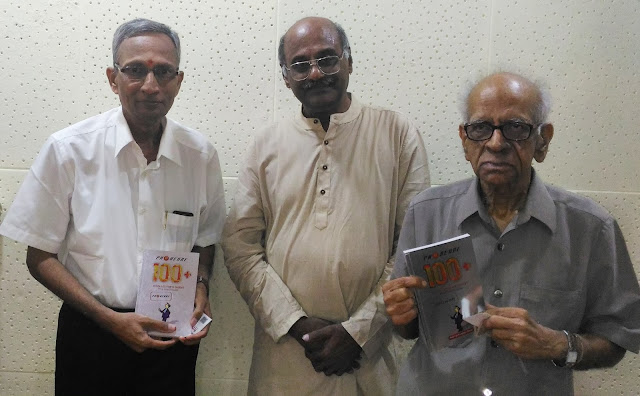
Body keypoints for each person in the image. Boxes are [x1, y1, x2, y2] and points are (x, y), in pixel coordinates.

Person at [0, 18, 226, 396]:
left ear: (179, 80)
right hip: (91, 333)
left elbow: (205, 240)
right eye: (136, 70)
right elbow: (38, 256)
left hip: (171, 333)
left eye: (164, 72)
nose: (151, 86)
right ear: (113, 77)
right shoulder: (69, 149)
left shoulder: (200, 156)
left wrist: (202, 286)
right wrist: (108, 320)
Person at [382, 71, 640, 394]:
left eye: (515, 128)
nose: (495, 142)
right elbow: (408, 328)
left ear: (542, 140)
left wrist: (557, 345)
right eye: (481, 128)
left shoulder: (591, 229)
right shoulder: (425, 213)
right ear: (464, 140)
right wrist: (400, 315)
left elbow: (618, 336)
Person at [222, 16, 430, 395]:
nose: (316, 73)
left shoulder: (397, 134)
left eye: (328, 59)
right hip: (285, 356)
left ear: (349, 62)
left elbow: (412, 249)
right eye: (301, 64)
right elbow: (240, 248)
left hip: (368, 357)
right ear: (286, 76)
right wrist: (296, 323)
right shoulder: (266, 145)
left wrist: (357, 332)